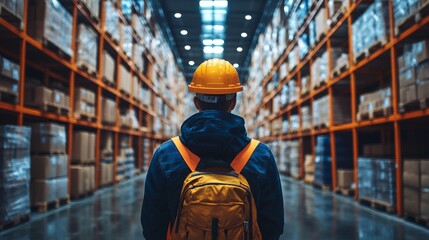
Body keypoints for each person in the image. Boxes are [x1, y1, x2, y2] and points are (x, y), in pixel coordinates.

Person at [141, 58, 284, 239]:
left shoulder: (167, 155)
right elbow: (273, 226)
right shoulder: (260, 155)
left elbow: (152, 226)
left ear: (196, 102)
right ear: (234, 102)